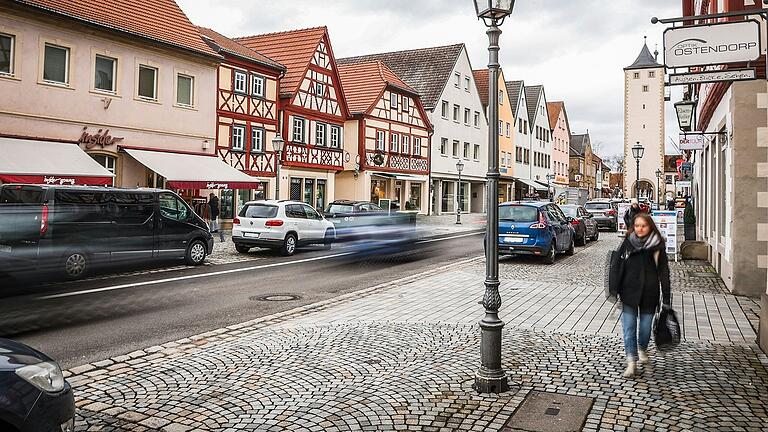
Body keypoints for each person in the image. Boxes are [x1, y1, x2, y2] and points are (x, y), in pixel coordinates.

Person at [615, 213, 671, 378]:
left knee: (645, 329)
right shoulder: (627, 242)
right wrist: (615, 289)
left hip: (649, 293)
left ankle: (642, 348)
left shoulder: (657, 246)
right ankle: (631, 363)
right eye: (637, 225)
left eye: (643, 225)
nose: (640, 229)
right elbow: (617, 267)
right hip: (628, 292)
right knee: (628, 329)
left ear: (650, 227)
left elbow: (664, 273)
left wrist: (666, 298)